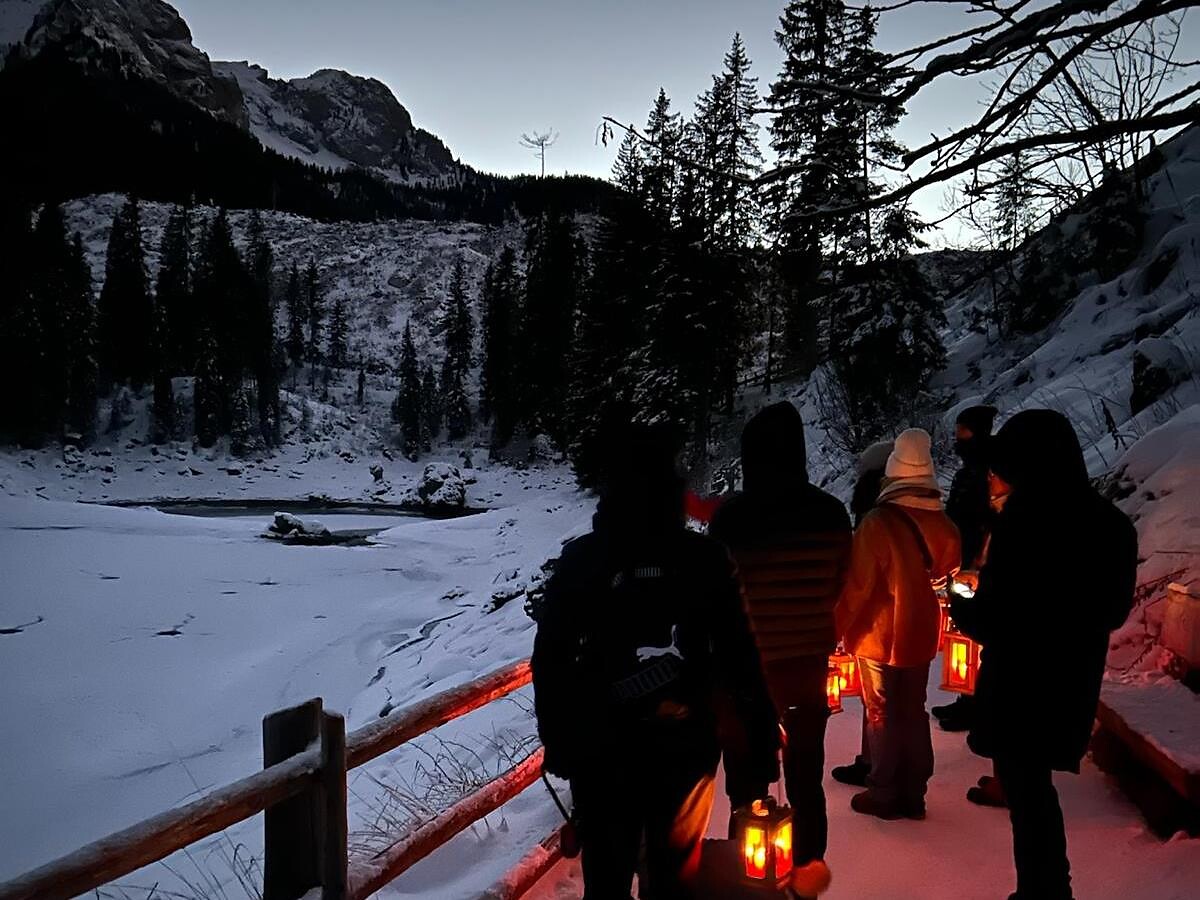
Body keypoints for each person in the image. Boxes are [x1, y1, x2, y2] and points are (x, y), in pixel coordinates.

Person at [532, 421, 780, 900]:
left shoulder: (582, 560)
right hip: (685, 748)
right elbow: (741, 658)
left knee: (605, 880)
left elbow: (552, 659)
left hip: (599, 751)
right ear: (673, 486)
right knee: (676, 879)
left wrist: (558, 742)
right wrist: (759, 747)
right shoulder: (706, 558)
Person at [951, 410, 1137, 900]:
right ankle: (1047, 889)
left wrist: (960, 601)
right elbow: (1114, 611)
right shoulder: (1111, 525)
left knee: (1029, 795)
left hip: (1021, 682)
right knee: (1035, 793)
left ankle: (1044, 891)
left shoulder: (1023, 524)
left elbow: (993, 618)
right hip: (1071, 679)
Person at [709, 401, 853, 897]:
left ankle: (747, 883)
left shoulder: (733, 520)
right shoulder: (830, 514)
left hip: (745, 675)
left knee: (746, 790)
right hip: (806, 669)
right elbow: (838, 585)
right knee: (806, 783)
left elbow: (717, 598)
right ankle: (806, 880)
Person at [835, 428, 961, 820]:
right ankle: (914, 791)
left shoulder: (876, 523)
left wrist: (834, 629)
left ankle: (884, 791)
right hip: (921, 631)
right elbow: (948, 572)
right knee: (914, 709)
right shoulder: (943, 524)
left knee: (880, 713)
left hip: (878, 634)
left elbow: (856, 587)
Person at [831, 440, 893, 788]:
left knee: (879, 702)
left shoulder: (875, 520)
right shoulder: (919, 506)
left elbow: (861, 579)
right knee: (899, 702)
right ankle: (890, 767)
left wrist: (838, 623)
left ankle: (878, 770)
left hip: (876, 620)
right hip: (908, 621)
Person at [934, 405, 997, 734]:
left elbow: (982, 518)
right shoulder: (969, 468)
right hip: (961, 556)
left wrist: (975, 559)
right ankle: (965, 698)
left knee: (975, 635)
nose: (957, 436)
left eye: (962, 430)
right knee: (961, 632)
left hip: (977, 562)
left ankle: (975, 703)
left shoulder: (988, 469)